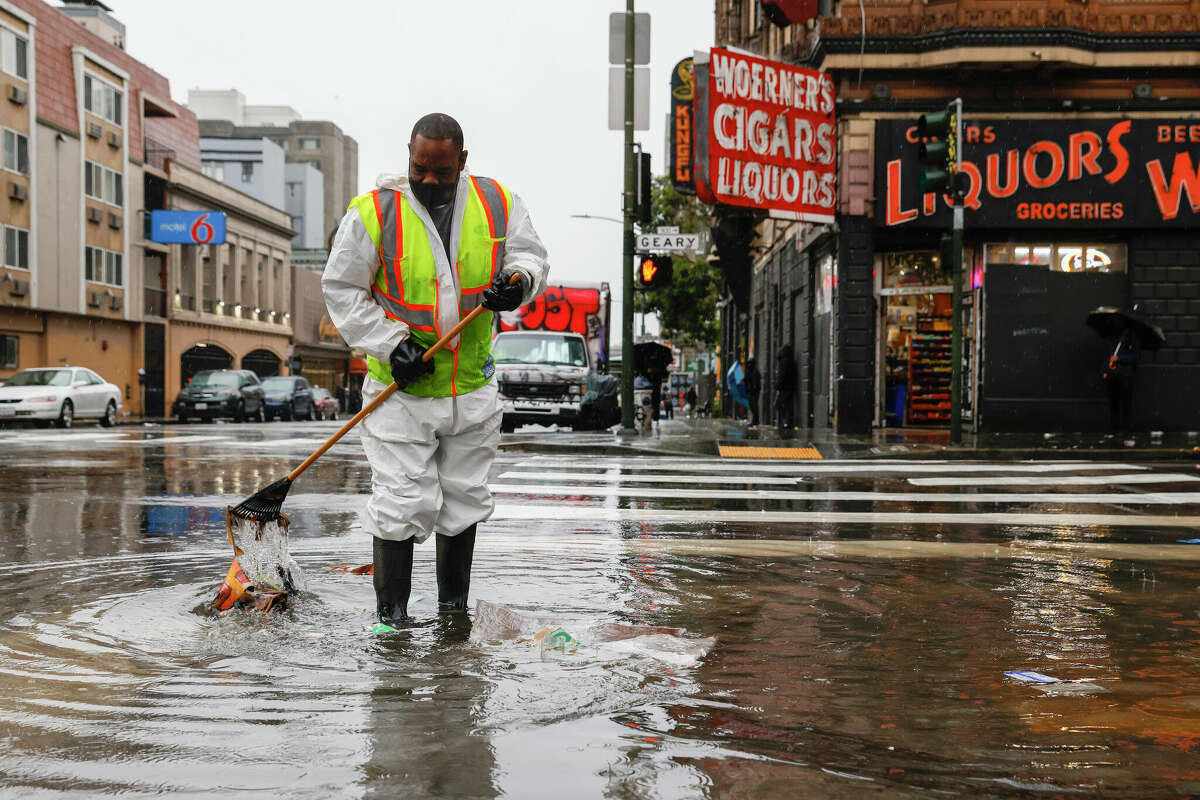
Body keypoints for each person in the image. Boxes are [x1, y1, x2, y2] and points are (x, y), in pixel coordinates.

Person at [322, 113, 548, 627]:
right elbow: (342, 290)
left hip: (471, 389)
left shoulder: (498, 203)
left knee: (464, 500)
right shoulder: (374, 213)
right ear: (409, 154)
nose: (427, 181)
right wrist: (391, 342)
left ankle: (453, 613)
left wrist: (517, 281)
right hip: (401, 392)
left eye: (440, 173)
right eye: (419, 168)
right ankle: (391, 619)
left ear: (462, 162)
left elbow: (530, 256)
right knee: (401, 502)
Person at [1102, 328, 1137, 432]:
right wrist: (1104, 369)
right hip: (1112, 375)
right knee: (1113, 403)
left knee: (1125, 403)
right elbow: (1107, 354)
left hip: (1125, 376)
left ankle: (1125, 428)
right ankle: (1114, 427)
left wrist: (1118, 359)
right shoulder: (1113, 337)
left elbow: (1134, 358)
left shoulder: (1132, 337)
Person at [774, 344, 797, 430]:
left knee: (778, 404)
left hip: (784, 388)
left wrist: (778, 385)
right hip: (791, 387)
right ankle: (787, 422)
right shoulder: (792, 361)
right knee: (788, 406)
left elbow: (782, 376)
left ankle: (786, 421)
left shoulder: (783, 362)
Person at [745, 357, 762, 426]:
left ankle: (755, 420)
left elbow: (756, 382)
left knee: (754, 406)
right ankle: (755, 420)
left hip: (754, 392)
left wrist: (754, 388)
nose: (749, 365)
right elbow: (746, 380)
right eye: (748, 363)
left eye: (750, 363)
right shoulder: (748, 371)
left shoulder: (755, 372)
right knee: (752, 406)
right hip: (750, 391)